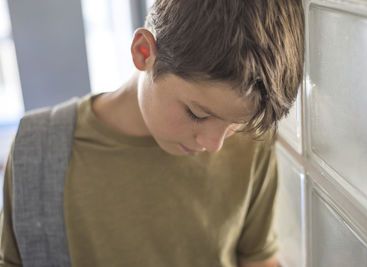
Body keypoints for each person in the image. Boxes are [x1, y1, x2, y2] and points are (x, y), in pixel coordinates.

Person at [0, 0, 304, 266]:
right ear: (143, 52)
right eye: (197, 114)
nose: (214, 144)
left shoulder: (252, 144)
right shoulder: (36, 150)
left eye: (236, 123)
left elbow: (258, 259)